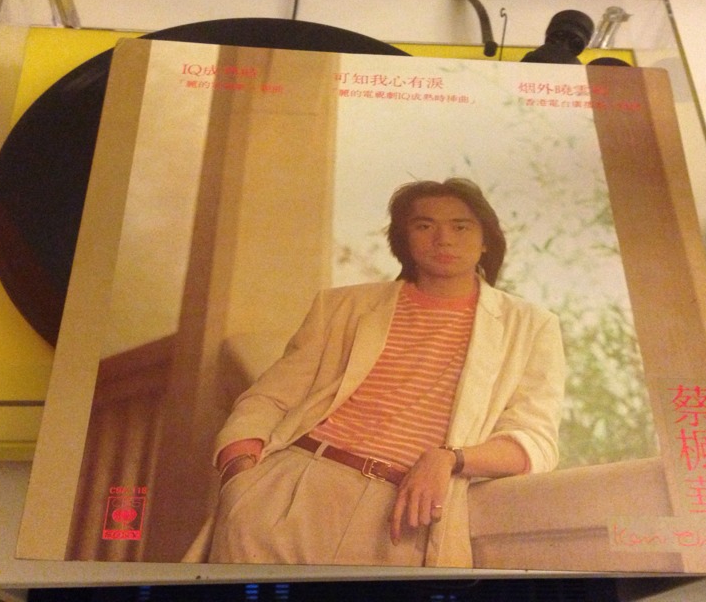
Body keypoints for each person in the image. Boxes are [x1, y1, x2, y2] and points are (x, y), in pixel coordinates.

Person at [201, 178, 566, 567]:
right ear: (404, 239)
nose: (443, 239)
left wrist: (449, 459)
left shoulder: (530, 326)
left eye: (460, 226)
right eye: (424, 225)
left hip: (406, 516)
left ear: (486, 240)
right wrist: (239, 476)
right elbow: (269, 397)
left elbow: (535, 440)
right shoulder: (343, 306)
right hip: (293, 488)